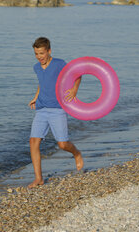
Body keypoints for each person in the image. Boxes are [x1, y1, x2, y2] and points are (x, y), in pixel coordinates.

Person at [28, 37, 84, 188]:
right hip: (41, 109)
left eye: (41, 53)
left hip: (57, 109)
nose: (39, 56)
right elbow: (42, 83)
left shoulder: (59, 64)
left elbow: (77, 74)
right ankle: (38, 178)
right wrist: (36, 97)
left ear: (49, 51)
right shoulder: (36, 67)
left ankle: (76, 153)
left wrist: (74, 89)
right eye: (36, 53)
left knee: (62, 144)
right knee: (33, 141)